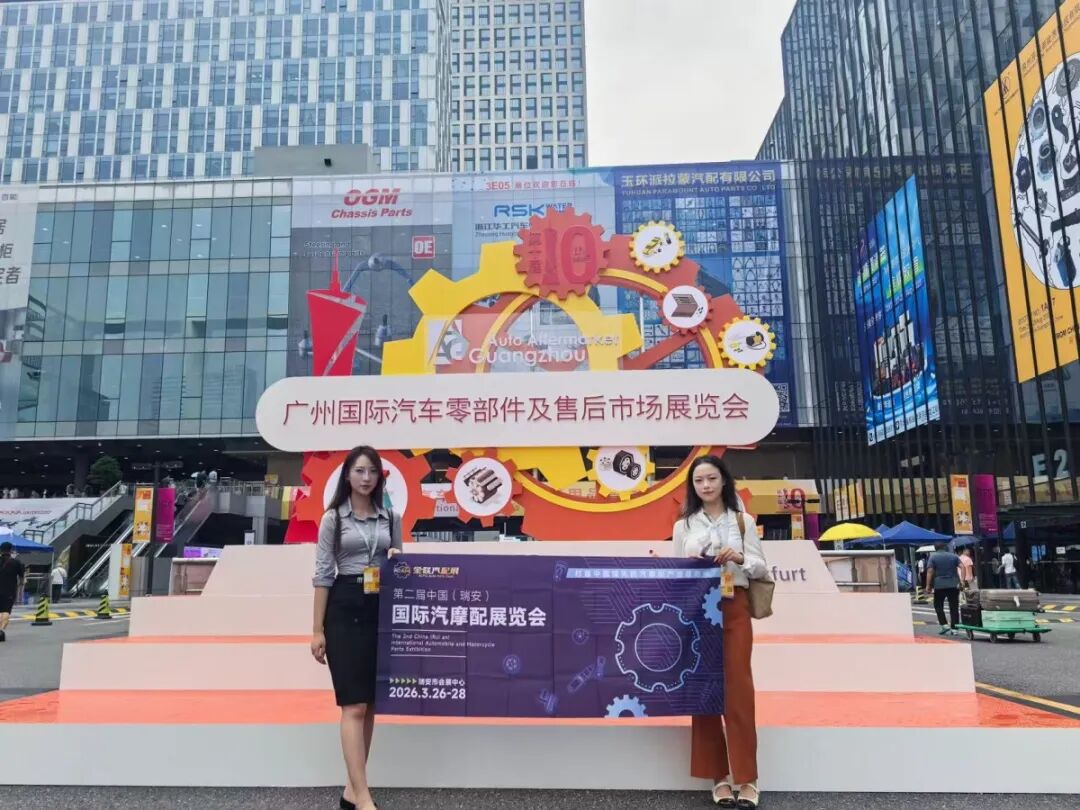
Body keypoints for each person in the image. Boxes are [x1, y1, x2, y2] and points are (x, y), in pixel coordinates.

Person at [672, 455, 768, 808]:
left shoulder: (743, 521)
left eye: (712, 478)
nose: (706, 485)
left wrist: (740, 558)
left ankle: (748, 778)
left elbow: (761, 568)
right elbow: (677, 572)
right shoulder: (683, 525)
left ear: (724, 480)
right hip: (699, 609)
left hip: (734, 606)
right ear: (692, 486)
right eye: (699, 481)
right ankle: (718, 777)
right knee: (705, 691)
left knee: (739, 689)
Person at [311, 446, 402, 810]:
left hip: (379, 606)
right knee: (353, 705)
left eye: (373, 471)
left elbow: (399, 563)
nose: (366, 478)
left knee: (370, 702)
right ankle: (363, 797)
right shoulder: (333, 519)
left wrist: (396, 559)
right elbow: (322, 574)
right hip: (344, 605)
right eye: (360, 471)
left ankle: (352, 790)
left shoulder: (390, 517)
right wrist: (316, 630)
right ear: (347, 475)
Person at [926, 542, 962, 634]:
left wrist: (928, 585)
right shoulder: (953, 556)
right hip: (953, 584)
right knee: (954, 606)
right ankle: (955, 628)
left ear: (935, 548)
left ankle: (944, 625)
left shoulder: (933, 557)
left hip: (939, 585)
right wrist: (962, 581)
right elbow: (962, 567)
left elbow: (930, 571)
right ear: (945, 547)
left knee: (938, 605)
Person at [0, 541, 26, 643]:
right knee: (6, 611)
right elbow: (22, 578)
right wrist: (20, 585)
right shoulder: (16, 562)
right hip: (9, 590)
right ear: (10, 550)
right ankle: (1, 631)